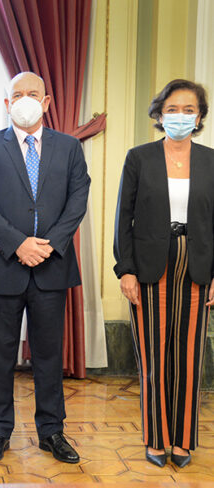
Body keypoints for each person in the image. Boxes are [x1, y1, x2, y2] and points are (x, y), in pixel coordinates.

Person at [0, 72, 90, 465]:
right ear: (7, 103)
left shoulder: (69, 147)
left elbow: (78, 198)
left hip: (51, 268)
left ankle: (52, 432)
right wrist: (18, 243)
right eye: (16, 94)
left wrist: (47, 245)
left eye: (32, 93)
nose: (24, 100)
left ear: (47, 101)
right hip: (1, 265)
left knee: (49, 356)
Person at [114, 79, 213, 469]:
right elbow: (123, 218)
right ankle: (156, 438)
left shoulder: (210, 160)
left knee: (188, 358)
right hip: (150, 266)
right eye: (172, 109)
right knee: (154, 357)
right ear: (159, 114)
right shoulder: (139, 158)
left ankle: (183, 440)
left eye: (189, 110)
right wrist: (126, 270)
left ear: (199, 117)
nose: (180, 116)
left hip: (197, 265)